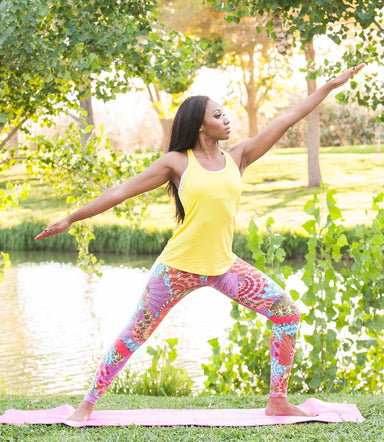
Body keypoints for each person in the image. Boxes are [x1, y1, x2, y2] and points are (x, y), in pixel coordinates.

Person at [35, 64, 364, 421]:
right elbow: (120, 191)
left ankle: (278, 401)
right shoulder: (176, 162)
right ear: (199, 124)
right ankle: (86, 405)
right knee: (134, 333)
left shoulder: (238, 157)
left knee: (286, 313)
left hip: (224, 267)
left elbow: (287, 118)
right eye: (218, 115)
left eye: (225, 114)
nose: (227, 120)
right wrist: (71, 218)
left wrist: (328, 86)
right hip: (176, 268)